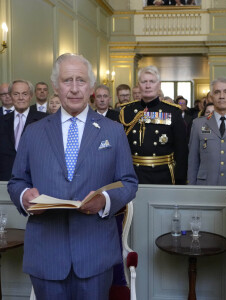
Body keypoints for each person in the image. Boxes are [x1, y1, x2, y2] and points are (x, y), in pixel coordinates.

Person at [7, 53, 138, 300]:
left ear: (90, 86)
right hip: (46, 254)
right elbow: (17, 181)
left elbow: (128, 182)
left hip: (95, 255)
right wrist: (25, 196)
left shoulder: (113, 131)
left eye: (81, 80)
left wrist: (105, 200)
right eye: (68, 81)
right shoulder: (34, 132)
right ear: (56, 86)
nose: (75, 88)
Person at [119, 65, 188, 185]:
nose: (147, 85)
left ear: (159, 84)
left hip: (162, 175)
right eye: (144, 81)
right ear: (138, 85)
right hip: (133, 174)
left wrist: (180, 181)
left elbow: (181, 150)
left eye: (152, 81)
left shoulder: (172, 112)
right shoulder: (127, 111)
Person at [188, 77, 226, 185]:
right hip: (205, 187)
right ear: (211, 97)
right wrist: (192, 190)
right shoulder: (198, 124)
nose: (222, 96)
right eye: (217, 92)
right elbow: (193, 161)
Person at [0, 80, 46, 181]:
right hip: (5, 180)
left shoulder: (45, 120)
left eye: (24, 94)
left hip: (35, 180)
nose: (20, 98)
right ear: (11, 96)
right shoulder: (2, 121)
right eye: (16, 94)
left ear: (31, 96)